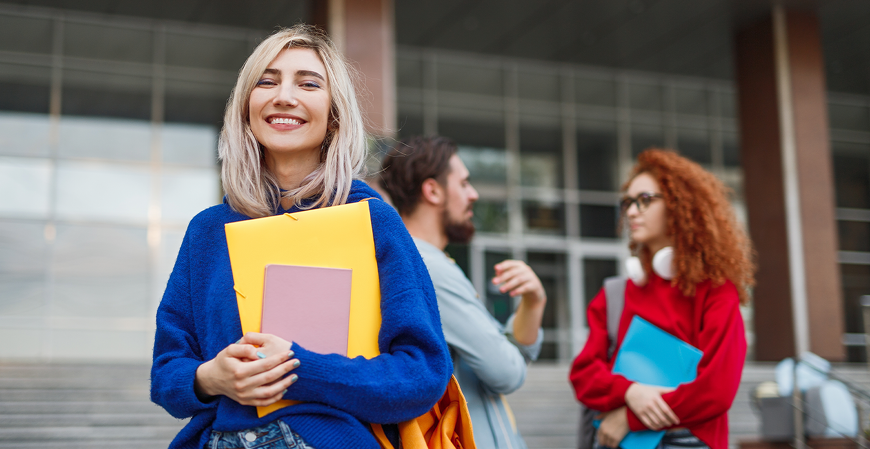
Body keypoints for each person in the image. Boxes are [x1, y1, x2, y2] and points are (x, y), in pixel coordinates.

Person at [150, 25, 452, 449]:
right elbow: (167, 371)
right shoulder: (207, 231)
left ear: (334, 114)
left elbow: (421, 374)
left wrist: (298, 368)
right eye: (266, 81)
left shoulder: (371, 221)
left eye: (308, 84)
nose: (284, 96)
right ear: (246, 107)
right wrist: (209, 377)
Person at [569, 149, 755, 449]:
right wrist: (631, 392)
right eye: (627, 202)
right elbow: (583, 374)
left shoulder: (716, 290)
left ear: (680, 205)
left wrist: (630, 418)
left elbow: (716, 390)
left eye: (644, 200)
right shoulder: (616, 294)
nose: (631, 212)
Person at [379, 135, 547, 449]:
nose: (474, 194)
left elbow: (502, 352)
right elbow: (506, 371)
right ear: (433, 191)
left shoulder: (416, 260)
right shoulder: (429, 268)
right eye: (465, 183)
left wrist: (534, 301)